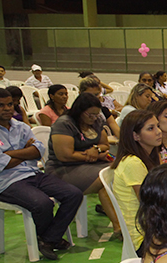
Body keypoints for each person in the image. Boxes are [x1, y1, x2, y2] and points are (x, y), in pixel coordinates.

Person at [0, 87, 83, 261]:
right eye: (0, 105)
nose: (7, 108)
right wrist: (25, 151)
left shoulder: (20, 126)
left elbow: (38, 151)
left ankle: (48, 239)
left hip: (32, 173)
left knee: (73, 194)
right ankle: (52, 239)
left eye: (10, 104)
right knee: (42, 204)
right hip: (5, 182)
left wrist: (11, 153)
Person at [45, 92, 121, 238]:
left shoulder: (97, 121)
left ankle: (121, 225)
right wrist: (93, 155)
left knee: (119, 172)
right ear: (80, 111)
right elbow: (65, 155)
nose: (94, 118)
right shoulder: (64, 123)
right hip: (63, 169)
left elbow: (104, 144)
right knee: (106, 179)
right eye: (90, 115)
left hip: (90, 164)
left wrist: (96, 150)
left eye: (96, 115)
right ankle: (118, 226)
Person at [111, 110, 162, 246]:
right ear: (135, 136)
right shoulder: (133, 163)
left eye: (157, 126)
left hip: (150, 229)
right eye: (151, 128)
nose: (158, 131)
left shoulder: (147, 157)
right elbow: (148, 204)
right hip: (142, 238)